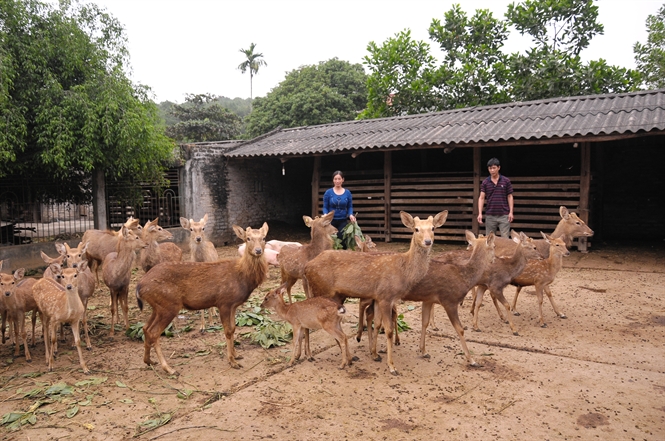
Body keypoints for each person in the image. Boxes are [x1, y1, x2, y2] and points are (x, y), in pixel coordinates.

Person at [477, 157, 513, 238]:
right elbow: (481, 198)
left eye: (494, 168)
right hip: (490, 215)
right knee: (489, 239)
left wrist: (511, 212)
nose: (492, 170)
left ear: (499, 168)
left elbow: (510, 196)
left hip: (504, 215)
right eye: (490, 168)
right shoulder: (485, 182)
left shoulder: (506, 181)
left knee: (505, 239)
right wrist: (480, 213)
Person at [322, 170, 356, 247]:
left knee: (342, 239)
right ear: (333, 180)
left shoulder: (347, 193)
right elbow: (325, 207)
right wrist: (325, 214)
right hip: (331, 221)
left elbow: (350, 206)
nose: (337, 181)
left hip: (342, 220)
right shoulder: (328, 193)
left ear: (343, 180)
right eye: (335, 179)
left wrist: (351, 215)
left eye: (339, 179)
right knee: (330, 240)